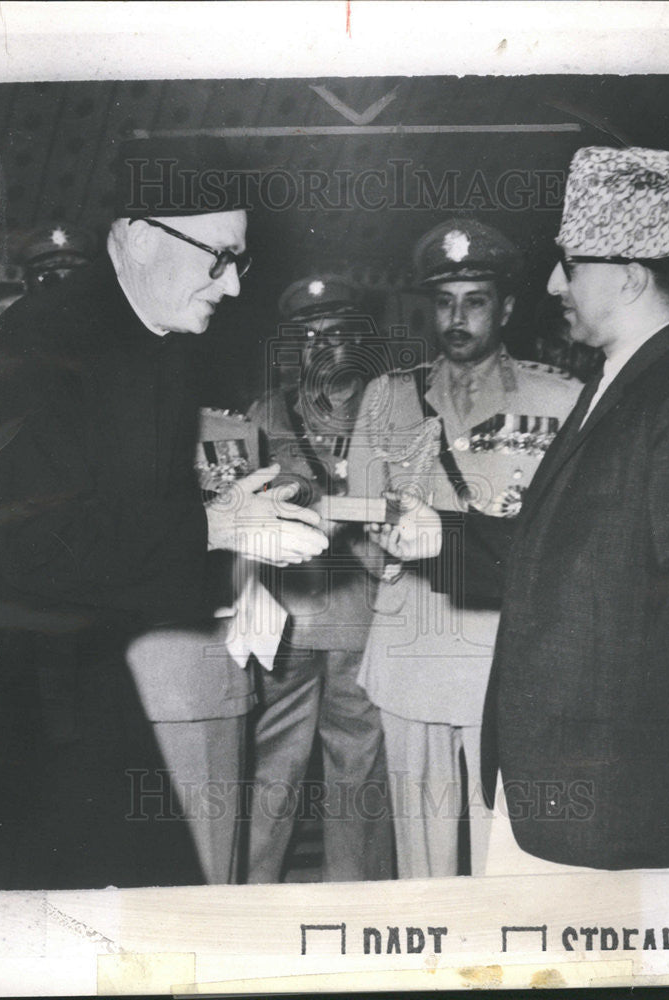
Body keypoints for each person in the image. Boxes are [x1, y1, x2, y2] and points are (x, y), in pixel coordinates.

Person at [0, 137, 328, 889]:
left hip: (100, 682)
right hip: (30, 703)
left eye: (241, 263)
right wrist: (213, 526)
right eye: (217, 258)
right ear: (136, 240)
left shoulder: (156, 342)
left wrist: (223, 516)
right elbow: (33, 544)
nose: (231, 288)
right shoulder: (38, 347)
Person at [373, 147, 669, 873]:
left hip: (624, 793)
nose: (548, 284)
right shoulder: (619, 381)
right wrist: (437, 534)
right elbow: (563, 554)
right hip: (571, 780)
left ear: (627, 277)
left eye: (567, 266)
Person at [346, 219, 581, 878]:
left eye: (473, 300)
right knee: (419, 857)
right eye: (444, 301)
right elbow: (362, 517)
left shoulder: (558, 399)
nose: (456, 317)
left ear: (504, 308)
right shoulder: (386, 398)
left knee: (498, 850)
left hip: (500, 656)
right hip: (409, 652)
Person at [244, 274, 393, 882]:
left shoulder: (391, 410)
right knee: (272, 768)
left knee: (356, 770)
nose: (322, 349)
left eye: (337, 335)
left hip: (364, 613)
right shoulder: (265, 412)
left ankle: (353, 908)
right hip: (289, 618)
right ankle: (249, 897)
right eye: (308, 337)